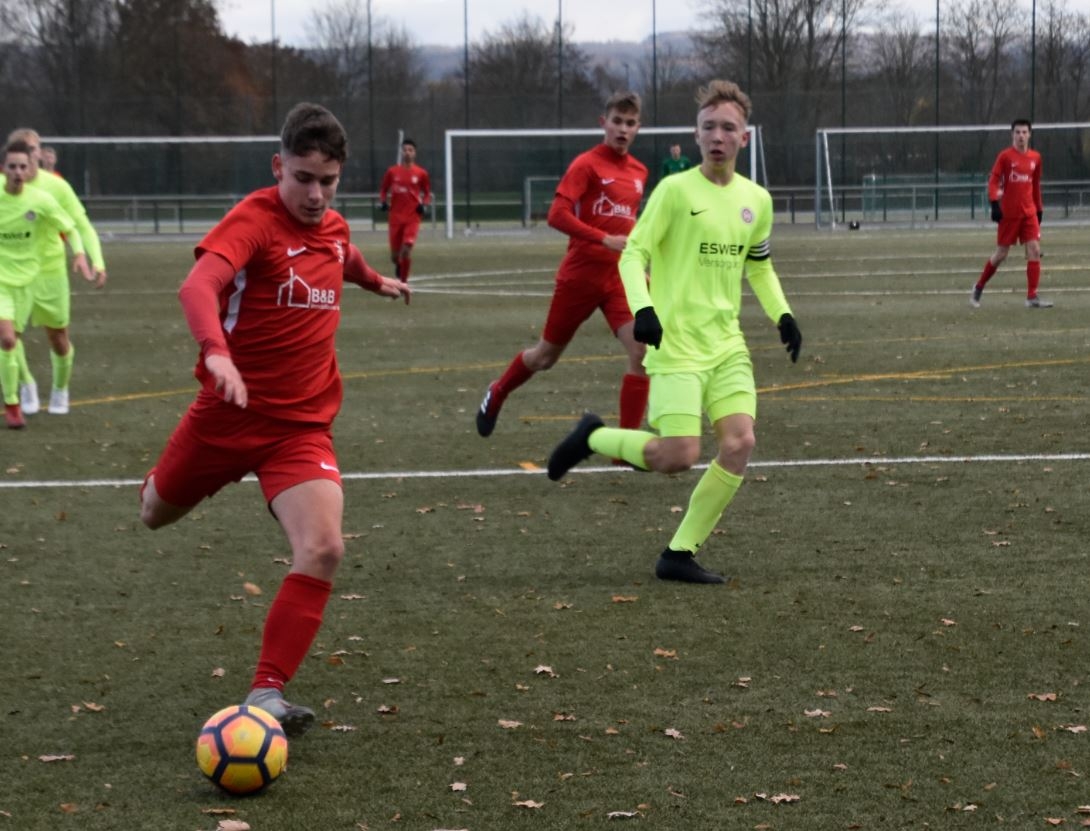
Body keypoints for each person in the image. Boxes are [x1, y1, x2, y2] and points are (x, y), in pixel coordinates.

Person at [139, 103, 411, 736]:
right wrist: (216, 353)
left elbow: (342, 255)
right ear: (277, 167)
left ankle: (266, 694)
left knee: (324, 547)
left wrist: (377, 282)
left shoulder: (333, 226)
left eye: (328, 181)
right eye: (302, 179)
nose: (315, 195)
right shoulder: (254, 221)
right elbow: (196, 287)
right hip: (227, 416)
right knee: (154, 512)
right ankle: (162, 481)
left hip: (300, 428)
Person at [546, 79, 802, 585]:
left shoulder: (756, 200)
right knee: (678, 455)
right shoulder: (675, 191)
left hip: (726, 345)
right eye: (709, 127)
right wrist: (643, 309)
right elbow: (634, 254)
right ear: (696, 134)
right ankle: (593, 436)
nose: (718, 136)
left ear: (744, 137)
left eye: (728, 128)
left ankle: (678, 554)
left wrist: (783, 315)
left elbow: (759, 265)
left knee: (740, 442)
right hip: (676, 345)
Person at [476, 90, 650, 439]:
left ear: (637, 128)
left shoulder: (639, 171)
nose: (622, 129)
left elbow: (628, 225)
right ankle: (498, 391)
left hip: (617, 279)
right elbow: (556, 215)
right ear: (603, 123)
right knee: (544, 357)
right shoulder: (586, 164)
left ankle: (623, 448)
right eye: (617, 121)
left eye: (630, 123)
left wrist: (636, 265)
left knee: (642, 352)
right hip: (580, 277)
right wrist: (603, 239)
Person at [6, 128, 106, 416]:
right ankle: (25, 383)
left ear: (39, 153)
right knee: (9, 335)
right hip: (11, 274)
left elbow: (80, 225)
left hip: (50, 273)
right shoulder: (3, 188)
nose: (30, 154)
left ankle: (60, 389)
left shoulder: (56, 187)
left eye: (34, 148)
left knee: (58, 337)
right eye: (24, 149)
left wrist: (95, 260)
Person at [970, 119, 1049, 309]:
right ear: (1012, 135)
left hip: (1028, 212)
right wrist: (994, 203)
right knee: (1001, 254)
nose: (1021, 136)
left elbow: (1035, 185)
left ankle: (1032, 297)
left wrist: (1039, 209)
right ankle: (979, 286)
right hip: (1009, 215)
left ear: (1029, 134)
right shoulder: (1005, 157)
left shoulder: (1036, 158)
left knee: (1034, 250)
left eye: (1024, 132)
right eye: (1017, 132)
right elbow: (993, 180)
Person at [378, 138, 431, 281]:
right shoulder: (392, 172)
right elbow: (383, 190)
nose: (407, 152)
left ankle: (403, 282)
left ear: (415, 153)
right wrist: (383, 202)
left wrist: (424, 204)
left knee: (406, 249)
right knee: (395, 257)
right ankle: (399, 265)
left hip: (412, 217)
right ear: (401, 152)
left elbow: (427, 193)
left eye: (410, 150)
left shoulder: (421, 173)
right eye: (405, 150)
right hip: (395, 218)